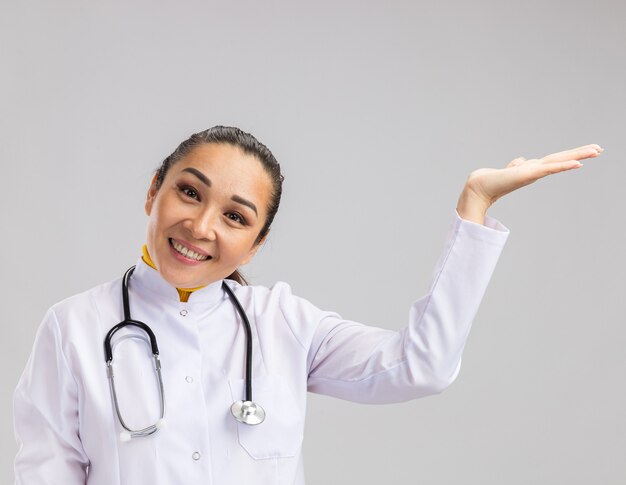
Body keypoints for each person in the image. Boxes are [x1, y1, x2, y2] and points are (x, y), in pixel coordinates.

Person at [13, 126, 603, 484]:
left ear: (257, 243)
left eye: (236, 216)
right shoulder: (73, 329)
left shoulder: (285, 325)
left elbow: (421, 366)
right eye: (189, 192)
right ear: (154, 190)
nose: (200, 225)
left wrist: (474, 203)